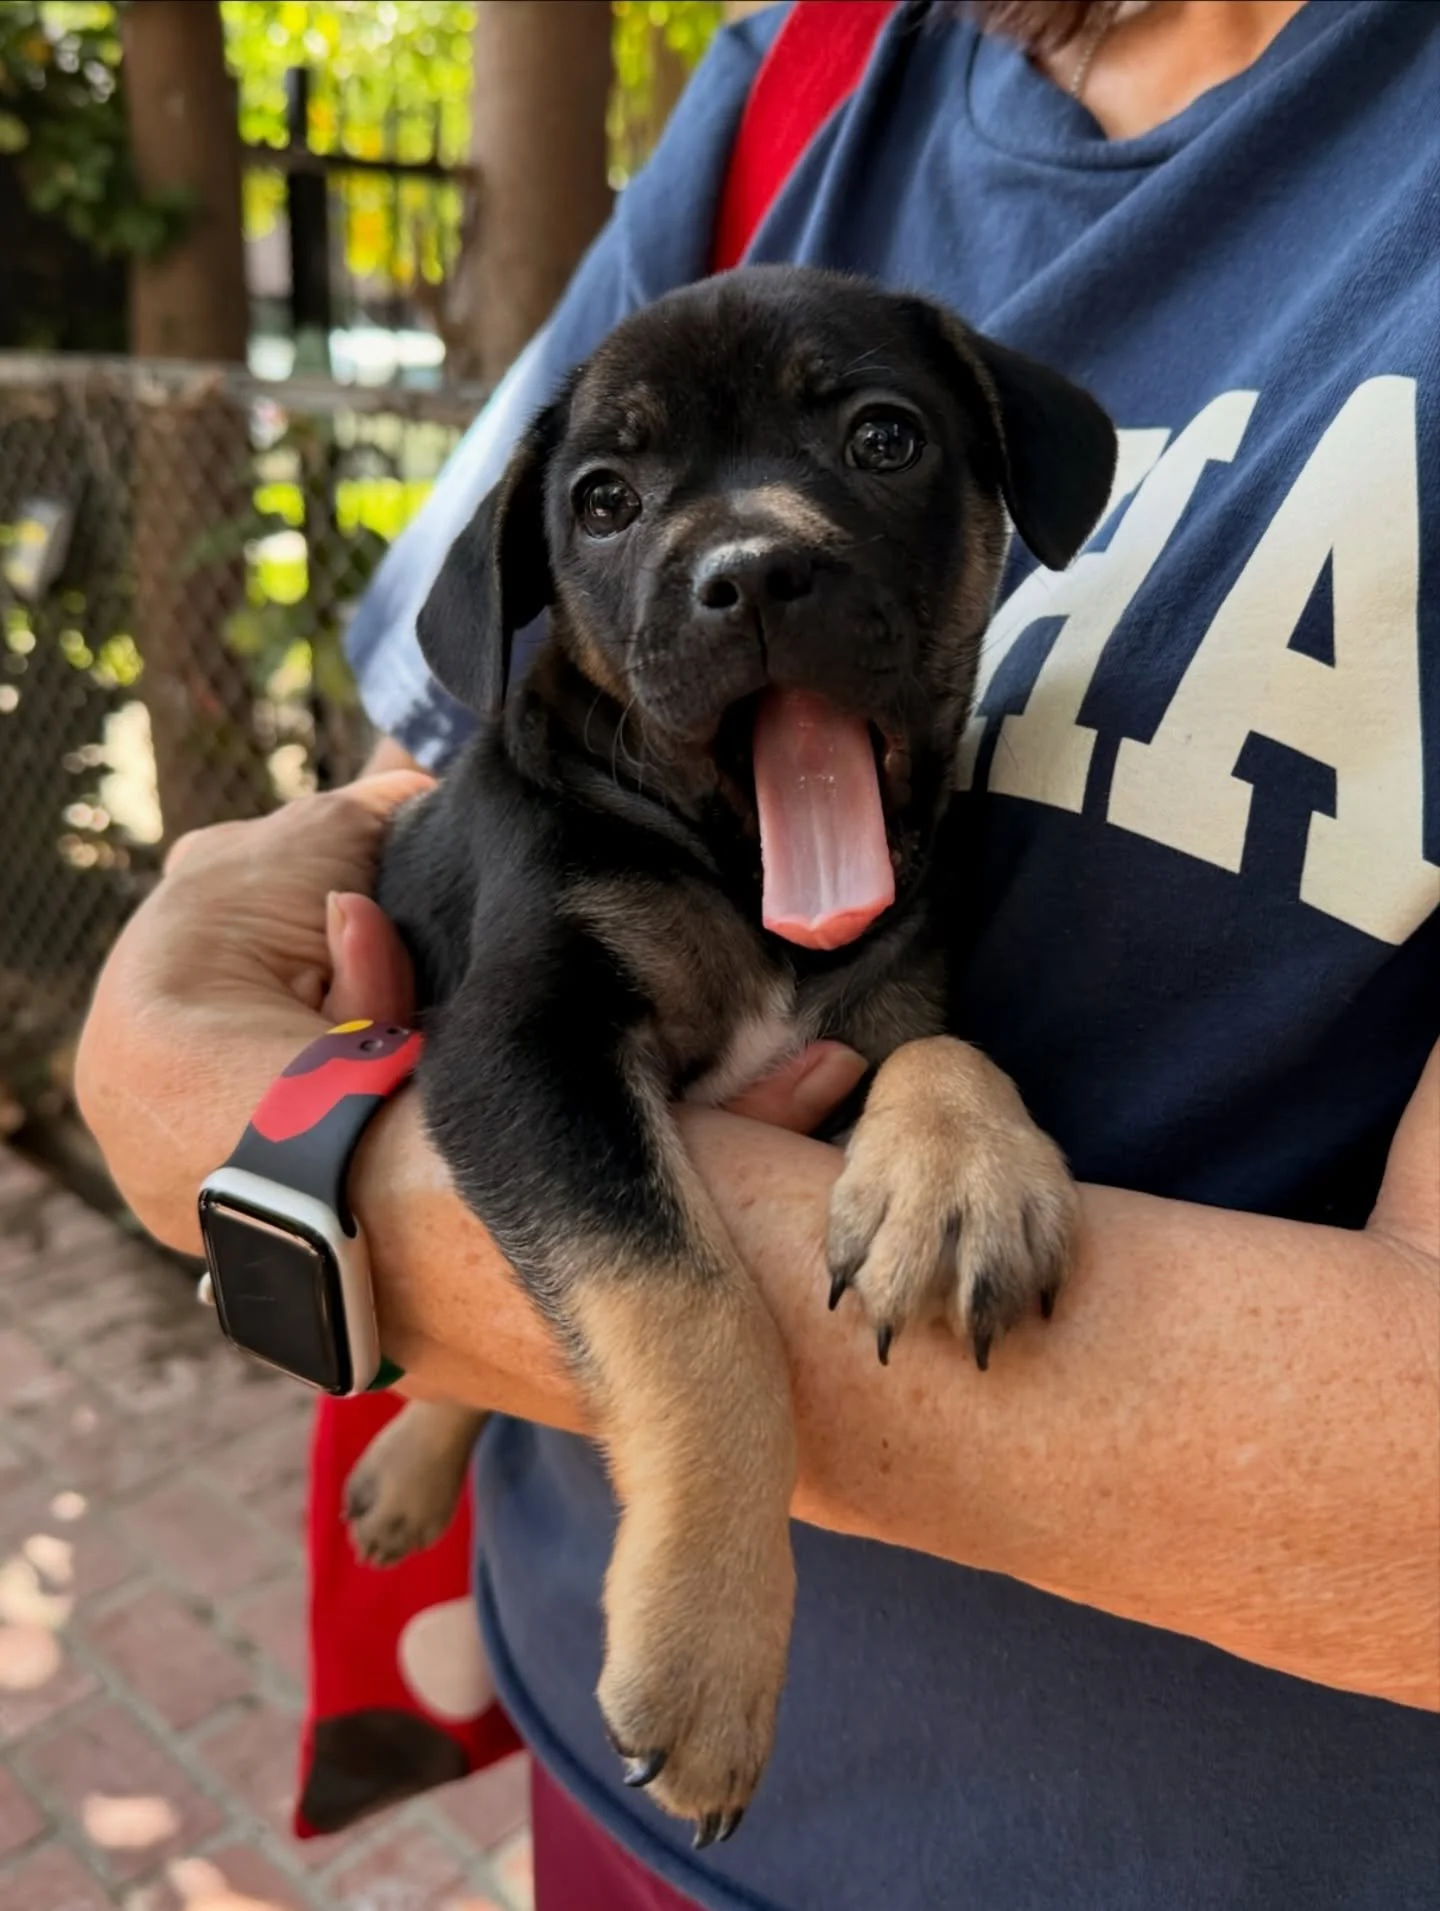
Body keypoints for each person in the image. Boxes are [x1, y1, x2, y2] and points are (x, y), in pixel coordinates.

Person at [78, 2, 1440, 1906]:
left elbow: (876, 1045)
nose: (750, 552)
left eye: (868, 442)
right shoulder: (804, 74)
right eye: (621, 509)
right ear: (544, 596)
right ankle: (462, 1410)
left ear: (999, 470)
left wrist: (942, 1092)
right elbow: (487, 1044)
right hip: (608, 1761)